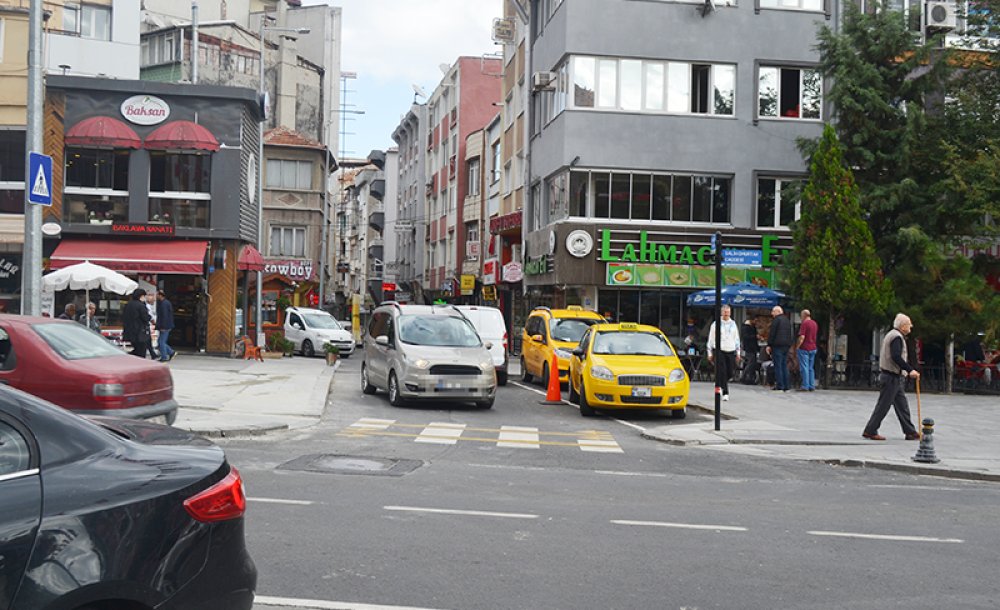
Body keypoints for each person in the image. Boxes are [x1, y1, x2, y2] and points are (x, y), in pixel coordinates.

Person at [863, 313, 921, 441]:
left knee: (902, 405)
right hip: (891, 376)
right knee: (883, 405)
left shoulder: (892, 335)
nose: (910, 329)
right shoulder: (897, 337)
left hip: (893, 376)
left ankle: (910, 431)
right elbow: (896, 356)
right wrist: (910, 370)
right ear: (903, 326)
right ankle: (870, 430)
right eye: (909, 326)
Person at [706, 305, 740, 401]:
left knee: (730, 371)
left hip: (731, 349)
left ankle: (719, 383)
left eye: (728, 312)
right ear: (721, 312)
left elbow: (736, 338)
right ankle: (725, 392)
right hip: (720, 350)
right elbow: (711, 339)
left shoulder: (733, 324)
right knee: (722, 371)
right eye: (724, 312)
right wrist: (709, 353)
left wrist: (738, 352)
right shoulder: (715, 324)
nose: (726, 313)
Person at [766, 305, 793, 391]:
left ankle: (780, 385)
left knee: (778, 366)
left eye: (773, 311)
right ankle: (786, 385)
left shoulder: (776, 320)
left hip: (777, 345)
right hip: (786, 346)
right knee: (784, 365)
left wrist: (769, 345)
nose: (772, 313)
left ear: (778, 312)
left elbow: (772, 333)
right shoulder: (787, 320)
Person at [122, 288, 152, 359]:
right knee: (141, 352)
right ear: (141, 296)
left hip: (130, 331)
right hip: (140, 332)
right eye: (144, 296)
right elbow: (145, 317)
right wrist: (149, 317)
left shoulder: (128, 304)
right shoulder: (141, 306)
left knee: (136, 349)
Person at [796, 309, 819, 391]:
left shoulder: (804, 324)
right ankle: (811, 385)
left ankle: (805, 385)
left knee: (804, 367)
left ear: (804, 315)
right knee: (810, 367)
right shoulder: (814, 323)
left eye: (801, 316)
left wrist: (798, 346)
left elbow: (802, 337)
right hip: (813, 347)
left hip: (804, 347)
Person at [156, 291, 176, 362]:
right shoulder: (166, 303)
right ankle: (171, 352)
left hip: (165, 326)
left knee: (161, 342)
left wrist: (163, 326)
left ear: (160, 295)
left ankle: (164, 357)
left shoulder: (164, 304)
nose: (156, 296)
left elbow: (164, 316)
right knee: (161, 341)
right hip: (167, 325)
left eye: (157, 295)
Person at [740, 318, 760, 384]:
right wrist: (755, 337)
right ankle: (744, 376)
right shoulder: (746, 328)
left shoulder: (749, 327)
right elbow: (746, 337)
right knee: (751, 363)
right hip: (749, 348)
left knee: (751, 363)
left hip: (751, 348)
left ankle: (749, 377)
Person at [145, 291, 159, 359]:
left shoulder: (149, 306)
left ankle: (153, 353)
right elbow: (150, 316)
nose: (154, 299)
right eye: (152, 297)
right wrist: (154, 322)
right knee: (147, 340)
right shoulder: (147, 306)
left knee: (148, 340)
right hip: (148, 325)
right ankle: (152, 353)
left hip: (150, 325)